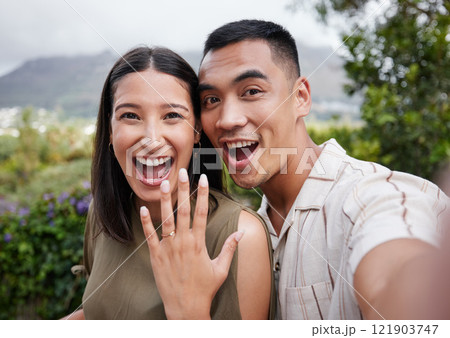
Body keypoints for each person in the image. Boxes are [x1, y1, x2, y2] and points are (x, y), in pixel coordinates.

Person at [152, 19, 449, 319]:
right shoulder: (246, 229)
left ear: (301, 98)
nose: (227, 119)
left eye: (252, 91)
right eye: (211, 99)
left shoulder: (369, 196)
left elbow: (393, 268)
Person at [65, 46, 275, 319]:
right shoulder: (104, 213)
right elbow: (97, 314)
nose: (152, 140)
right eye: (130, 116)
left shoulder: (240, 236)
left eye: (172, 116)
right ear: (110, 129)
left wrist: (189, 311)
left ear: (197, 130)